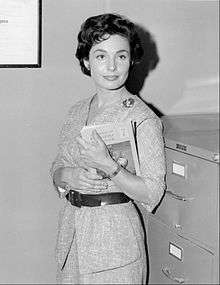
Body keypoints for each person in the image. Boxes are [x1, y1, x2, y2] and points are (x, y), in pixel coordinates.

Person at [50, 13, 166, 284]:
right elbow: (56, 168)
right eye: (101, 56)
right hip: (72, 236)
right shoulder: (77, 111)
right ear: (86, 61)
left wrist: (109, 166)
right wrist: (68, 176)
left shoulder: (142, 118)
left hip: (115, 243)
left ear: (132, 59)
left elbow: (152, 191)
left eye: (121, 56)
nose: (112, 66)